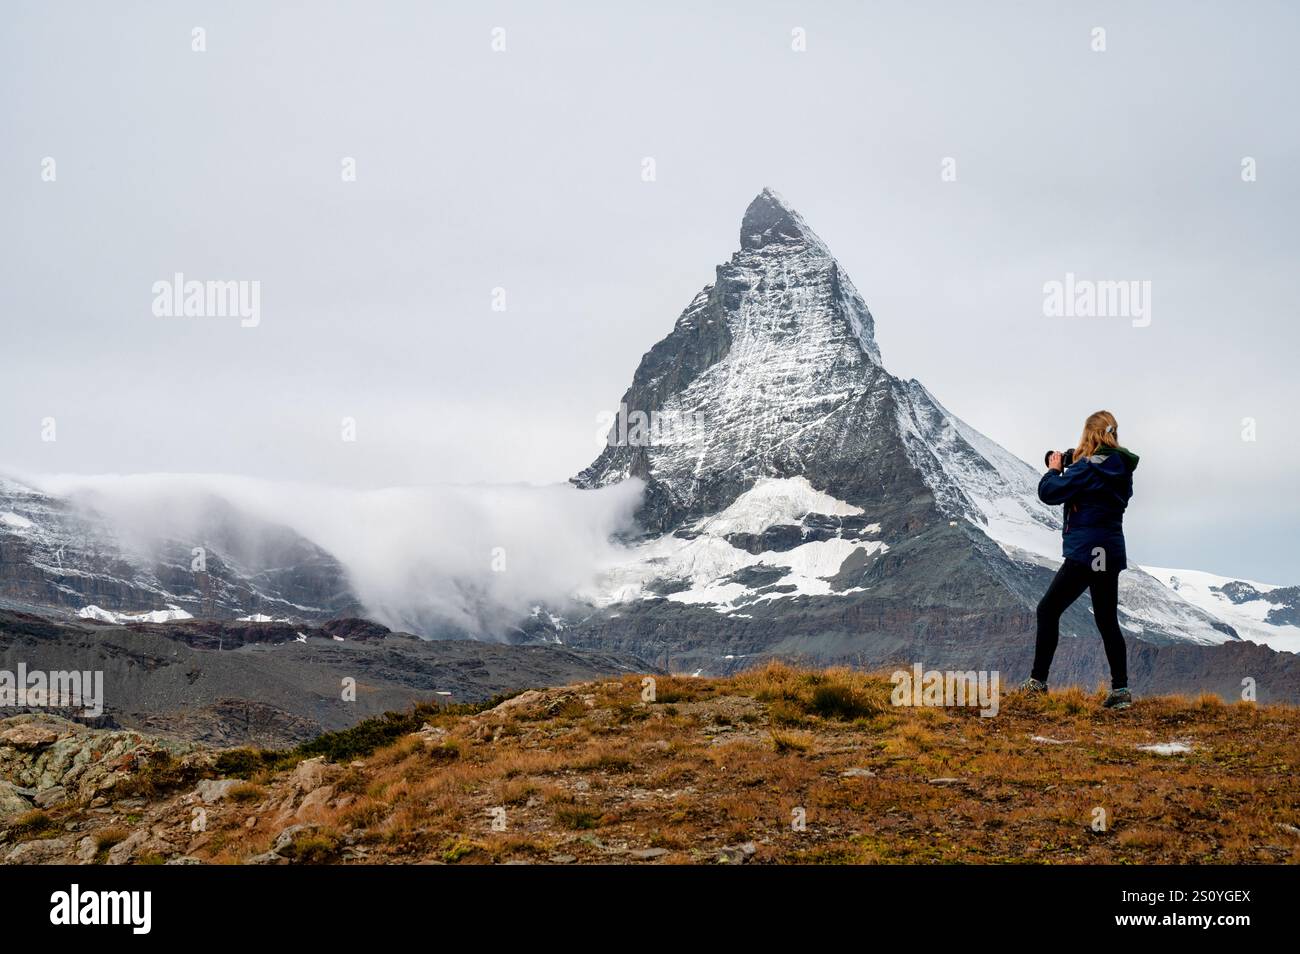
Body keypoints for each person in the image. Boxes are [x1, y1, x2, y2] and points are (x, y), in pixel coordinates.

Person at [1018, 410, 1139, 709]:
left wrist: (1054, 468)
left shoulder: (1086, 468)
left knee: (1048, 610)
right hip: (1109, 551)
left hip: (1086, 551)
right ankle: (1121, 690)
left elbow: (1049, 493)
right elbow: (1101, 475)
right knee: (1107, 620)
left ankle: (1037, 682)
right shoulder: (1121, 468)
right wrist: (1075, 460)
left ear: (1090, 434)